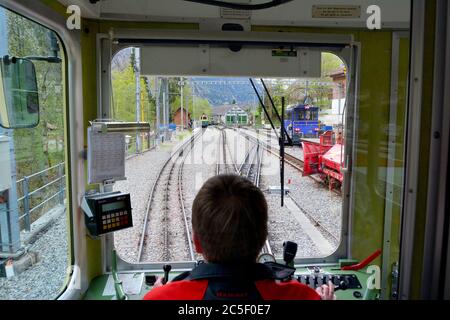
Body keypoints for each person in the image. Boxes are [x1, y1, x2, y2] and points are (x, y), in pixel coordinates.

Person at [144, 174, 335, 300]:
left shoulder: (159, 298)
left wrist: (162, 293)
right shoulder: (302, 296)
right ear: (263, 239)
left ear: (197, 242)